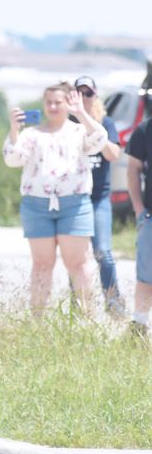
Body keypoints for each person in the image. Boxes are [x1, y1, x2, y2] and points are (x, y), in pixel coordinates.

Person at [3, 81, 107, 316]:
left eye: (58, 102)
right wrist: (13, 129)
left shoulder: (80, 131)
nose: (53, 106)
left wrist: (80, 113)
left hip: (74, 204)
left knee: (78, 264)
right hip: (37, 204)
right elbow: (12, 158)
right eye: (48, 102)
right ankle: (38, 319)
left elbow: (99, 140)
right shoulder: (31, 134)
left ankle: (87, 317)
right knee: (41, 264)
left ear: (68, 103)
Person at [72, 75, 125, 316]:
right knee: (76, 256)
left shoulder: (106, 122)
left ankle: (113, 303)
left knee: (103, 252)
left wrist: (94, 126)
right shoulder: (69, 124)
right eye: (79, 94)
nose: (84, 98)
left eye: (88, 94)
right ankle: (80, 306)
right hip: (74, 198)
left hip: (98, 198)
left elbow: (114, 154)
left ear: (96, 96)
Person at [125, 115, 152, 340]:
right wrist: (138, 209)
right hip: (151, 216)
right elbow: (133, 168)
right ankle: (139, 329)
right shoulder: (145, 129)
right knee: (146, 276)